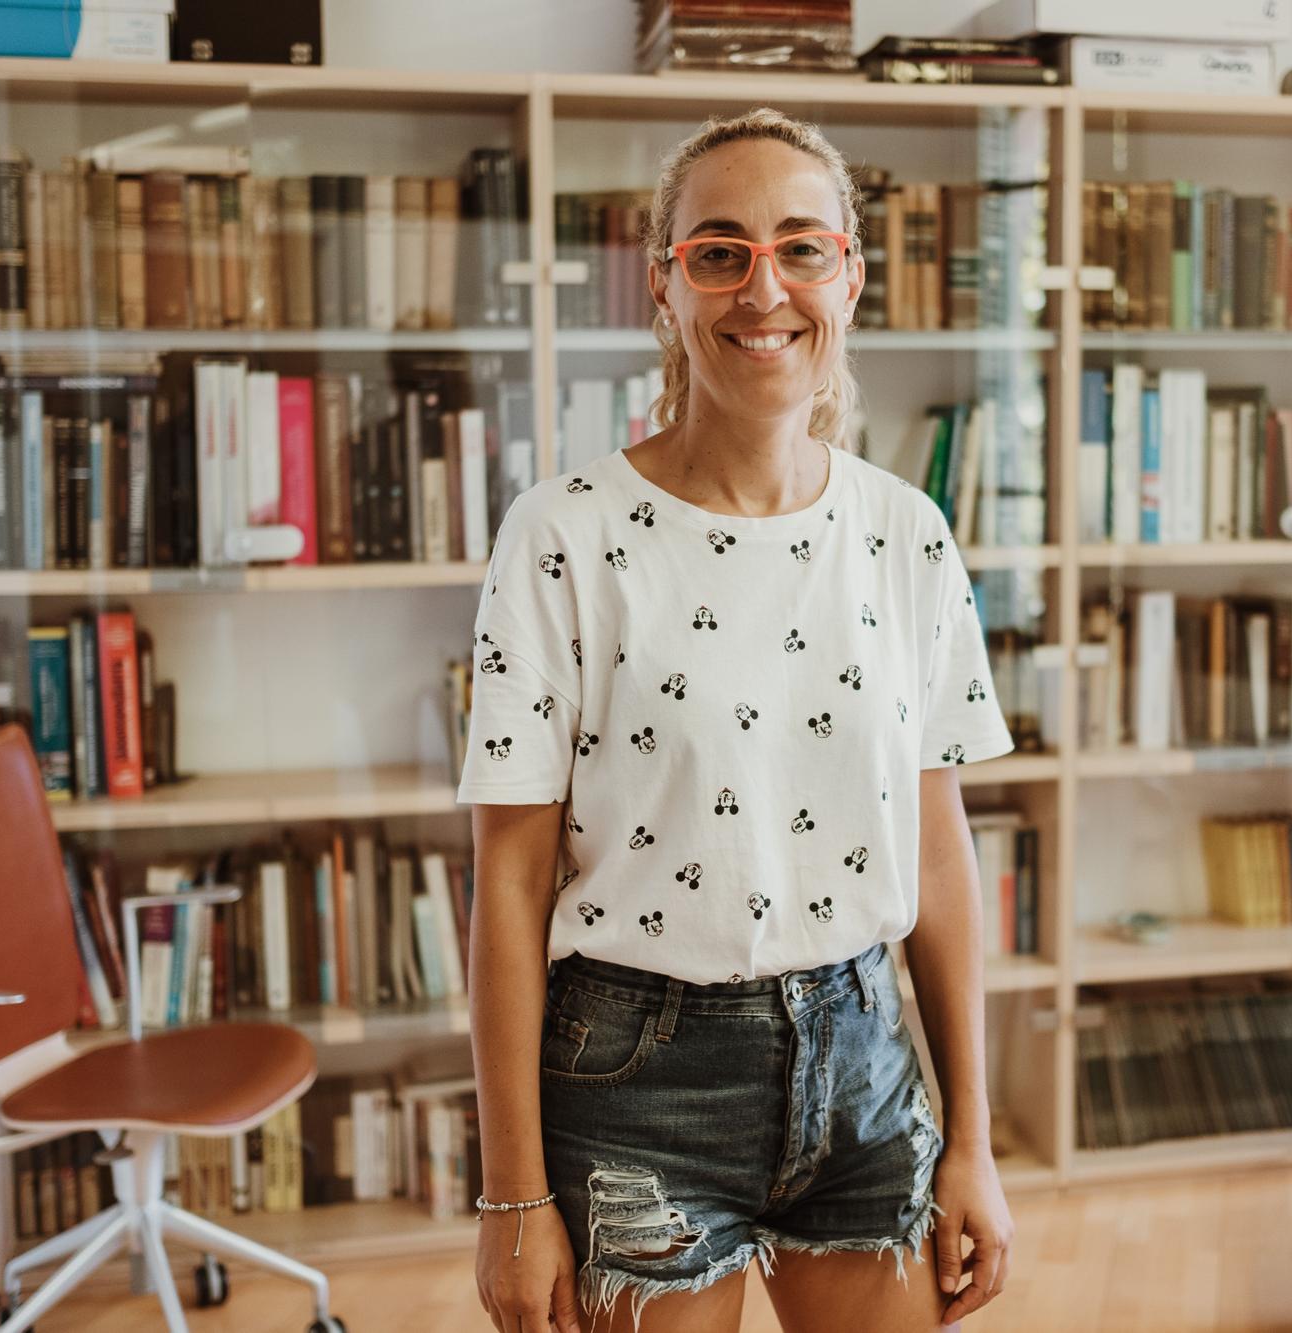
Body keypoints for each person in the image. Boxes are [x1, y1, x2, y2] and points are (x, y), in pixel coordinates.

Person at [454, 106, 1017, 1333]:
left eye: (798, 247)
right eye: (718, 251)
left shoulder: (904, 532)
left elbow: (937, 852)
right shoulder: (562, 534)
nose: (761, 287)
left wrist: (972, 1138)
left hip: (863, 1061)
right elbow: (507, 880)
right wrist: (511, 1197)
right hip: (632, 1076)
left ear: (849, 278)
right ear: (666, 287)